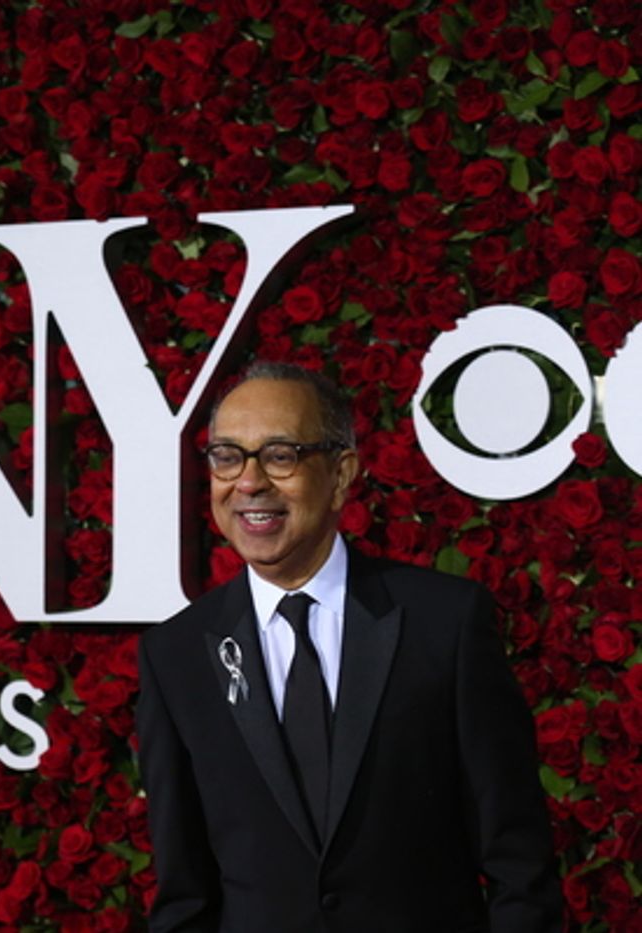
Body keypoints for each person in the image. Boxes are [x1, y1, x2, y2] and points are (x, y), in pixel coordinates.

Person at [136, 361, 560, 932]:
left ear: (340, 474)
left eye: (280, 455)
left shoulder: (446, 624)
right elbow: (185, 896)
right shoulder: (177, 656)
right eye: (227, 456)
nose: (249, 482)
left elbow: (520, 865)